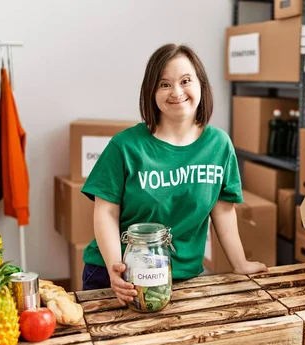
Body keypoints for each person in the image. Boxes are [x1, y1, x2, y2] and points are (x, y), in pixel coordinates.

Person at [80, 43, 268, 304]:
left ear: (201, 84)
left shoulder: (219, 145)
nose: (176, 92)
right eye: (164, 84)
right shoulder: (125, 146)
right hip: (119, 278)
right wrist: (116, 268)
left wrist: (240, 264)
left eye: (185, 81)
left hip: (183, 278)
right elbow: (105, 212)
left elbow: (223, 211)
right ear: (151, 92)